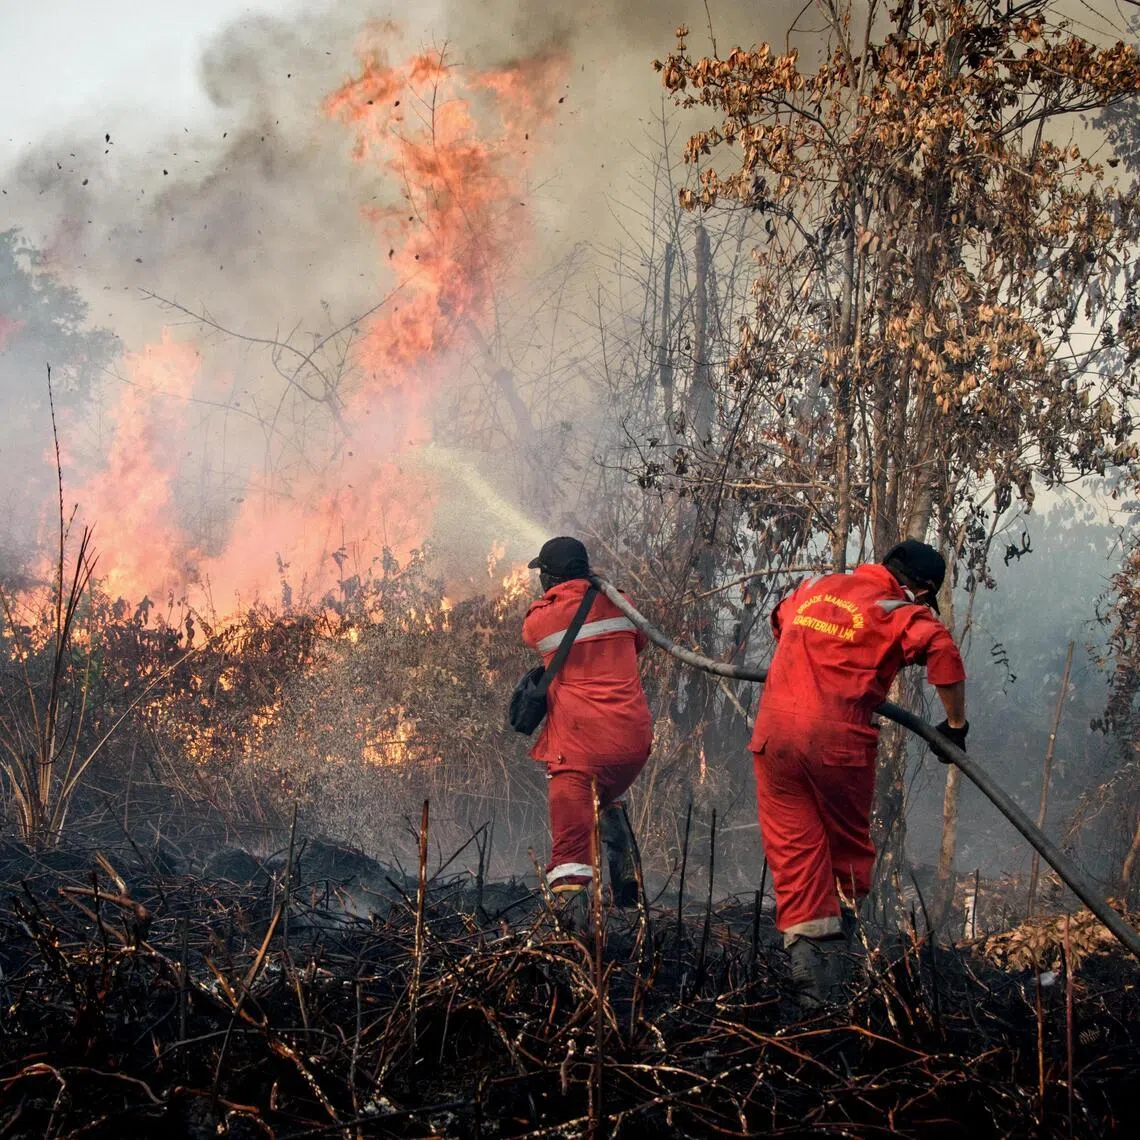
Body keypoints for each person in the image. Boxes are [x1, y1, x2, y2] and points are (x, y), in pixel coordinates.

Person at [750, 539, 968, 1006]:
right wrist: (955, 728)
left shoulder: (816, 585)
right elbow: (944, 653)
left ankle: (809, 978)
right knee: (845, 852)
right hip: (837, 744)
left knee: (794, 853)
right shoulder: (900, 609)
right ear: (923, 590)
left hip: (773, 738)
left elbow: (779, 622)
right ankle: (841, 962)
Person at [522, 537, 653, 916]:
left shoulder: (544, 617)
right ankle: (628, 892)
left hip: (579, 748)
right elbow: (639, 642)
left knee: (570, 853)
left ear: (549, 578)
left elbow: (530, 633)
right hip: (632, 744)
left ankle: (574, 937)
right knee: (605, 798)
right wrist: (600, 587)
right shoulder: (622, 604)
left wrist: (565, 594)